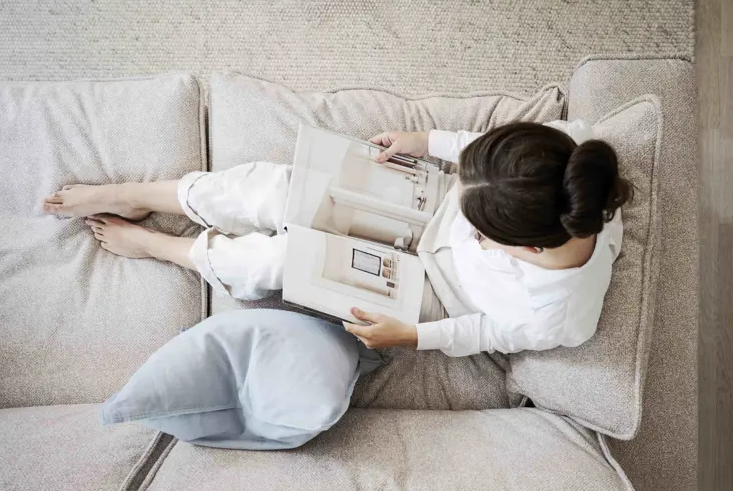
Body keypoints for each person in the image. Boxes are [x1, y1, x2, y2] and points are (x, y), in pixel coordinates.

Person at [41, 121, 631, 357]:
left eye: (481, 231)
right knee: (279, 189)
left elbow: (488, 331)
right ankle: (141, 195)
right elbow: (486, 152)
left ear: (527, 250)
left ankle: (167, 248)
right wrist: (430, 143)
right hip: (430, 213)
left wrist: (414, 336)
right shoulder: (565, 154)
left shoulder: (557, 316)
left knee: (283, 262)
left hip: (442, 293)